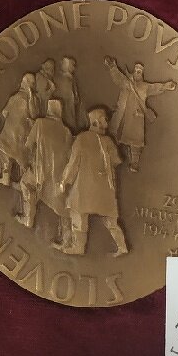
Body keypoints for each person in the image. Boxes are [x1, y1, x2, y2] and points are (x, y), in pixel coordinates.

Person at [59, 106, 128, 257]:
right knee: (110, 220)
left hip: (84, 188)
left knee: (78, 214)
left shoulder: (81, 139)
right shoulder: (108, 141)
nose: (107, 124)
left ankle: (78, 247)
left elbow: (73, 163)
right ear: (96, 122)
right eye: (104, 120)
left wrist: (65, 181)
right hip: (104, 189)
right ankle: (122, 247)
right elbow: (117, 161)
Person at [104, 57, 175, 171]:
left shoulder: (144, 87)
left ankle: (134, 163)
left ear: (141, 74)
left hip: (135, 118)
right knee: (115, 136)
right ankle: (110, 158)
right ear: (133, 71)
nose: (137, 72)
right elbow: (118, 77)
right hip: (122, 115)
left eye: (139, 71)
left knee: (135, 142)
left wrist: (166, 86)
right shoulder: (126, 83)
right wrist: (112, 67)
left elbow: (154, 87)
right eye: (136, 70)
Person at [18, 98, 72, 244]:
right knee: (63, 207)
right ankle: (67, 239)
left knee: (25, 184)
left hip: (40, 171)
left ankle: (28, 218)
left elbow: (28, 144)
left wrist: (26, 162)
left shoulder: (40, 123)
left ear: (49, 109)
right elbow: (69, 154)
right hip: (59, 175)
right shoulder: (66, 131)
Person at [0, 72, 39, 186]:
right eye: (33, 83)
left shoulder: (15, 97)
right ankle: (26, 180)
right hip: (22, 134)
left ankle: (6, 177)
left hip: (9, 132)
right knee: (23, 157)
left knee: (5, 152)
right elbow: (34, 115)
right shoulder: (32, 100)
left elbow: (4, 112)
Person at [54, 56, 82, 130]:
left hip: (72, 103)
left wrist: (76, 96)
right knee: (67, 119)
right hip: (65, 103)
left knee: (72, 118)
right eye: (72, 65)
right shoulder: (61, 78)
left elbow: (74, 90)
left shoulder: (72, 78)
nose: (74, 68)